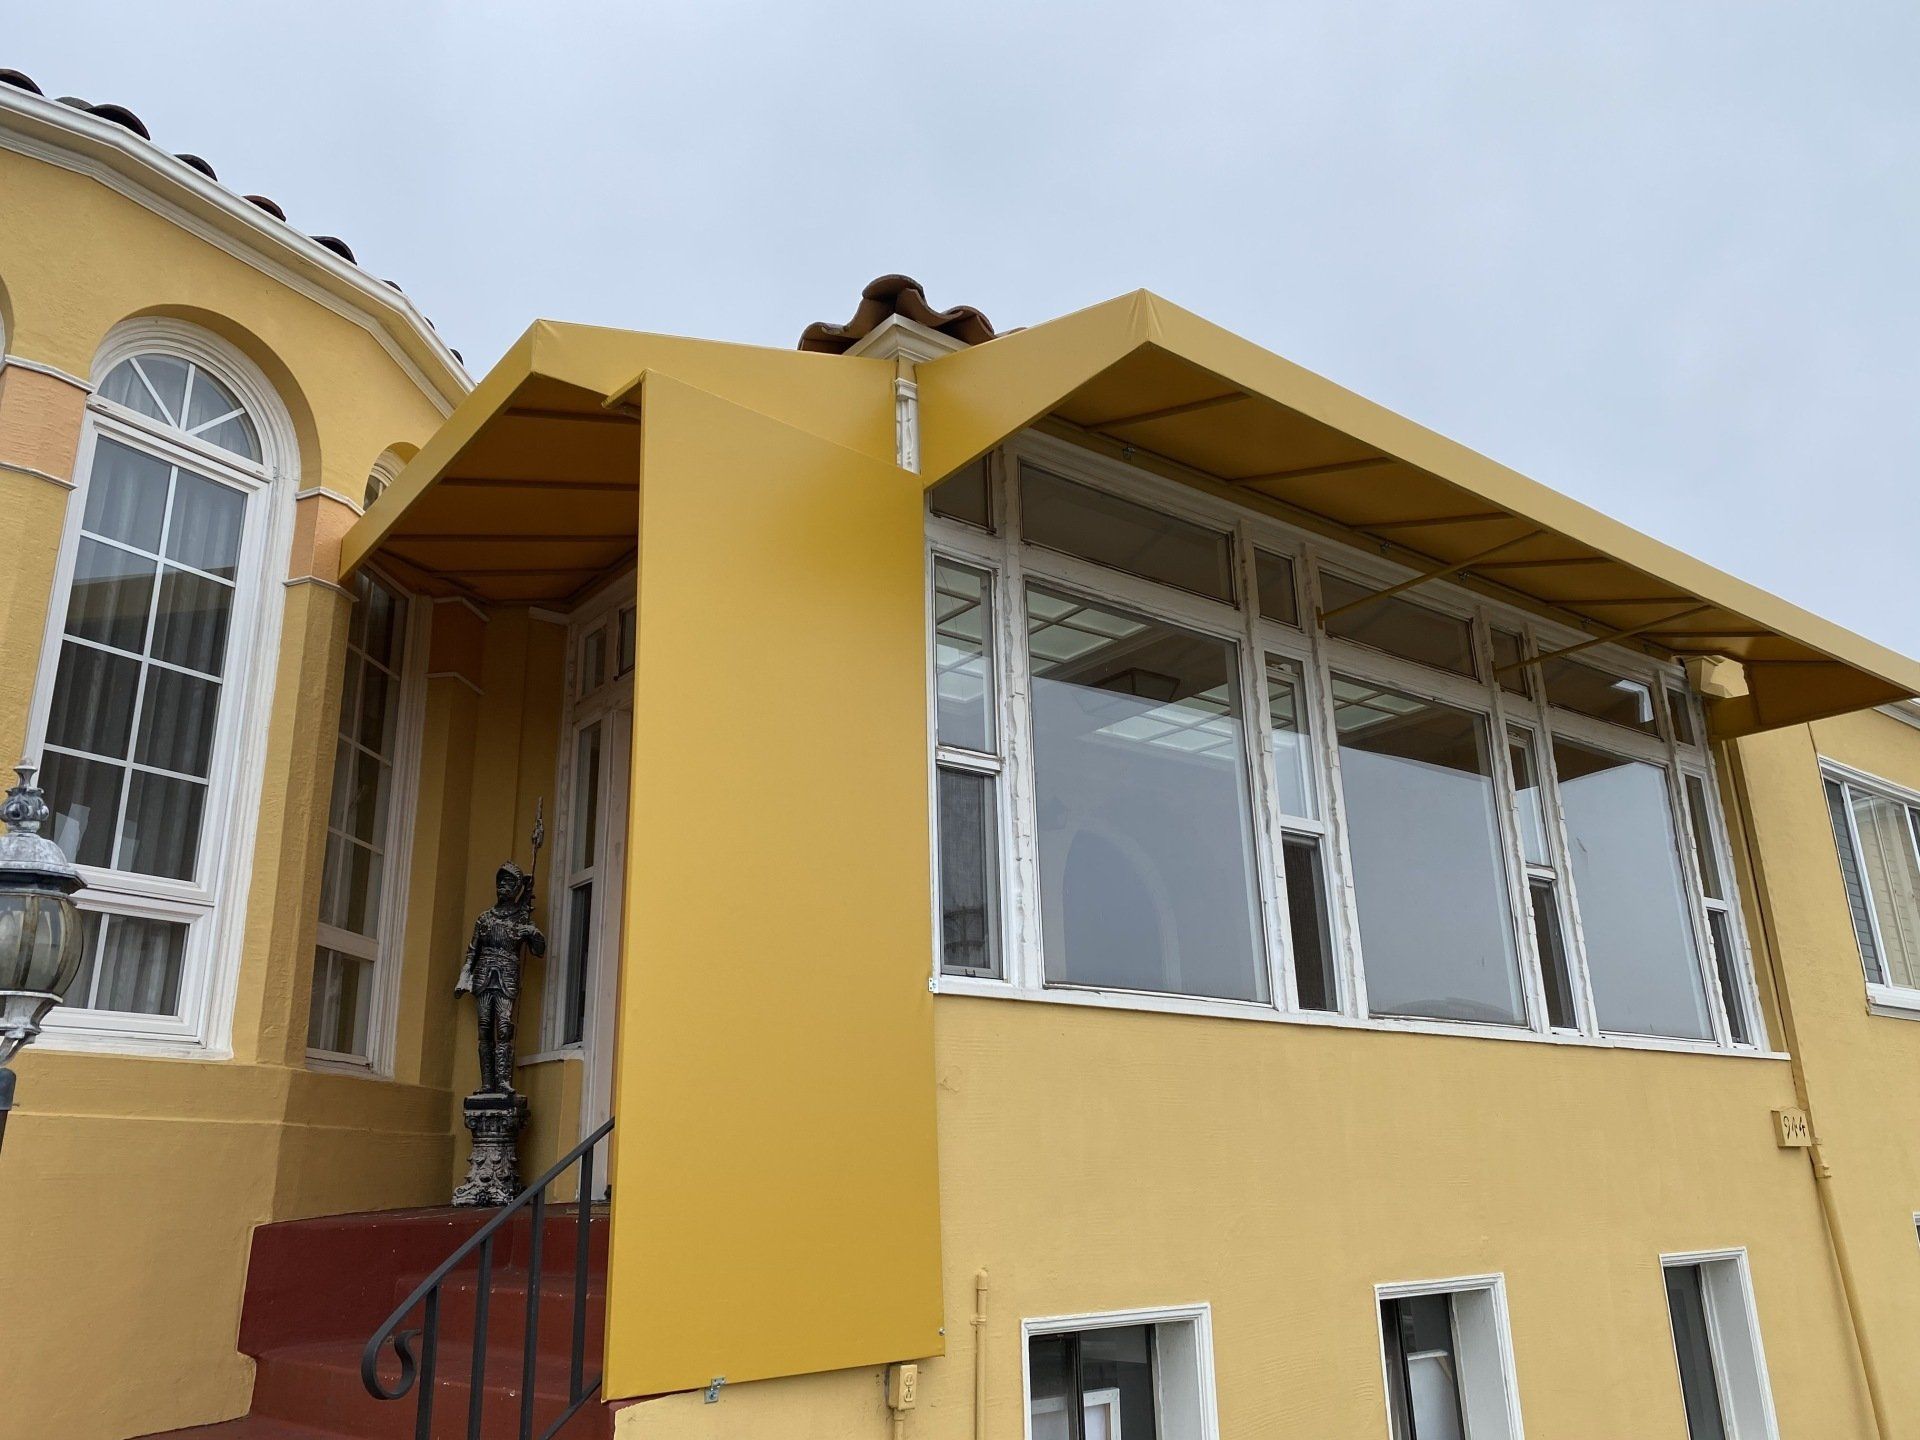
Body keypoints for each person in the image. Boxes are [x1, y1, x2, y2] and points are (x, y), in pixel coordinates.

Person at [455, 861, 546, 1094]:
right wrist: (464, 976)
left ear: (517, 887)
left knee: (504, 1027)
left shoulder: (521, 918)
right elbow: (472, 950)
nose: (504, 885)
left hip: (507, 975)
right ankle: (487, 1083)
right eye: (501, 881)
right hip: (484, 975)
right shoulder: (484, 918)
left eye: (509, 882)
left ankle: (503, 1081)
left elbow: (538, 950)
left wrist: (532, 933)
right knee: (485, 1028)